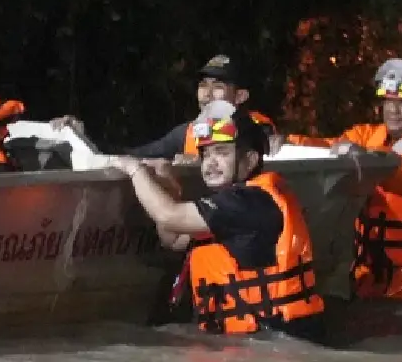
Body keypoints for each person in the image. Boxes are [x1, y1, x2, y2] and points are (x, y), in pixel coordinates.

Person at [112, 101, 325, 336]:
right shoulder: (239, 201)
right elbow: (173, 239)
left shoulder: (249, 203)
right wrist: (169, 185)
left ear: (251, 160)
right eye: (205, 154)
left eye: (222, 152)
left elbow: (168, 215)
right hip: (250, 340)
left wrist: (134, 169)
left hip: (268, 340)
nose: (210, 163)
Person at [288, 59, 402, 318]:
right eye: (388, 102)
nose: (393, 111)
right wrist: (283, 142)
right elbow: (323, 148)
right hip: (373, 285)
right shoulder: (369, 137)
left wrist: (369, 162)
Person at [59, 54, 278, 158]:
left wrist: (276, 140)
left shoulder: (254, 128)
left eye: (218, 86)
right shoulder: (187, 133)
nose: (207, 93)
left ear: (240, 96)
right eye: (203, 85)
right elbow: (134, 154)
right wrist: (82, 134)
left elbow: (267, 142)